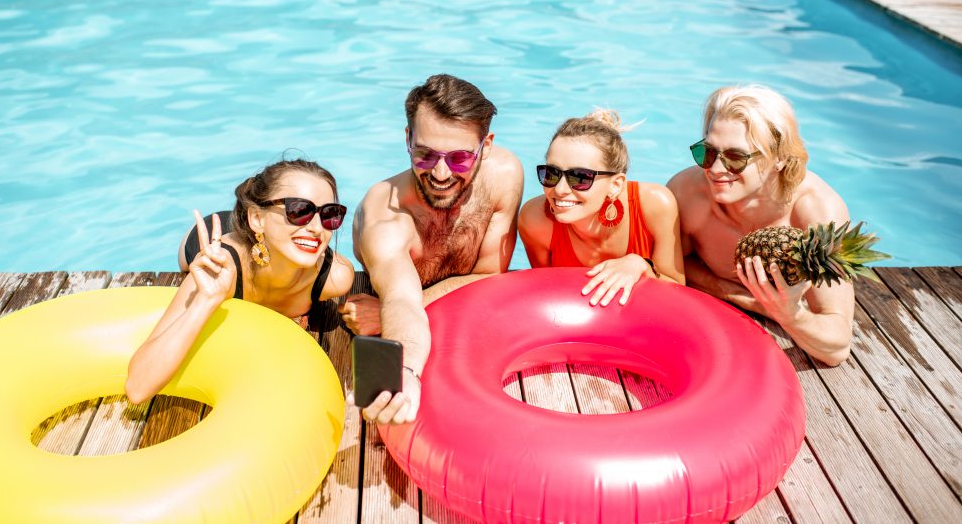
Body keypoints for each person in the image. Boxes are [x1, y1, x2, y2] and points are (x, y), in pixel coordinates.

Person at [343, 74, 523, 425]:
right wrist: (405, 371)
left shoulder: (504, 176)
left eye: (459, 159)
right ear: (408, 139)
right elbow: (401, 300)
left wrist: (382, 314)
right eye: (425, 155)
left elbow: (490, 277)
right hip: (409, 313)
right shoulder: (386, 213)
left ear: (486, 146)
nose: (441, 173)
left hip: (461, 313)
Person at [125, 159, 354, 404]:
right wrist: (207, 298)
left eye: (329, 214)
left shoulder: (335, 277)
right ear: (257, 217)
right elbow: (138, 388)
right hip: (225, 234)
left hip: (265, 239)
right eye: (299, 211)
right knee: (189, 259)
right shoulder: (220, 265)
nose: (317, 228)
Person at [667, 85, 853, 366]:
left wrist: (792, 314)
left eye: (735, 158)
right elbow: (665, 267)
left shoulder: (816, 213)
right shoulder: (688, 194)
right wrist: (748, 299)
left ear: (779, 158)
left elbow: (836, 349)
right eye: (707, 152)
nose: (715, 169)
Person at [518, 110, 684, 306]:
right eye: (552, 173)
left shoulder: (655, 205)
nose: (560, 190)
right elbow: (547, 293)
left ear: (616, 184)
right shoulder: (536, 221)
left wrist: (640, 265)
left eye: (579, 177)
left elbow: (678, 291)